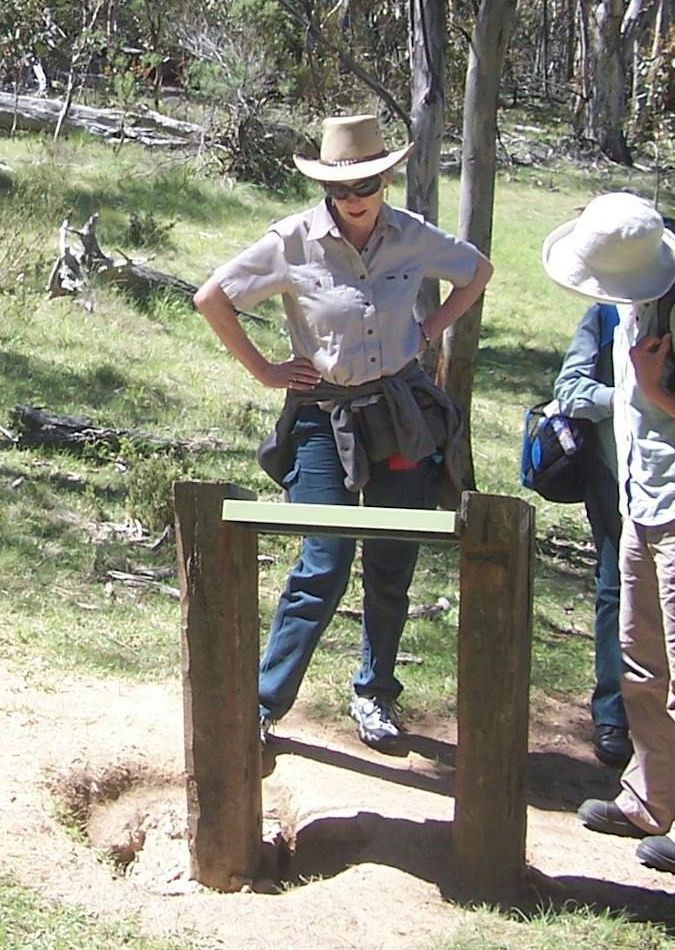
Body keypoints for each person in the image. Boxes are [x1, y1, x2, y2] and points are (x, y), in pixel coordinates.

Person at [193, 113, 493, 749]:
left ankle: (375, 694)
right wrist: (268, 370)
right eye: (341, 190)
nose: (354, 200)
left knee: (392, 560)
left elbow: (477, 271)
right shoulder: (292, 241)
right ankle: (264, 704)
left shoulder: (412, 235)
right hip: (322, 417)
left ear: (386, 179)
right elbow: (211, 298)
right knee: (324, 561)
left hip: (399, 415)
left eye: (367, 186)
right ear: (325, 189)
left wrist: (431, 327)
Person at [541, 192, 675, 878]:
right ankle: (653, 794)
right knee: (643, 664)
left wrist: (655, 388)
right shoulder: (638, 301)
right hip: (645, 505)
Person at [549, 301, 631, 768]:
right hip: (613, 475)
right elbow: (570, 389)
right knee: (615, 589)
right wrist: (626, 399)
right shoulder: (605, 315)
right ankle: (613, 717)